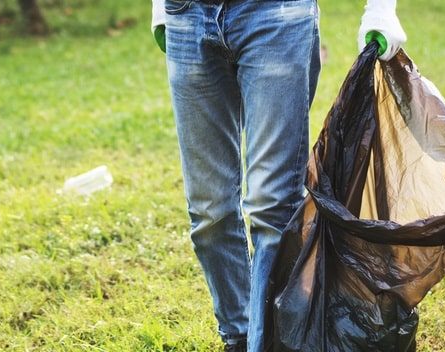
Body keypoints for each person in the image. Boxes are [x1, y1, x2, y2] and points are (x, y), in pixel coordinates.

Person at [149, 0, 406, 351]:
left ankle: (265, 342)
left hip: (275, 16)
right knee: (209, 212)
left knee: (272, 206)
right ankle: (240, 336)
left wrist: (380, 9)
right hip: (187, 16)